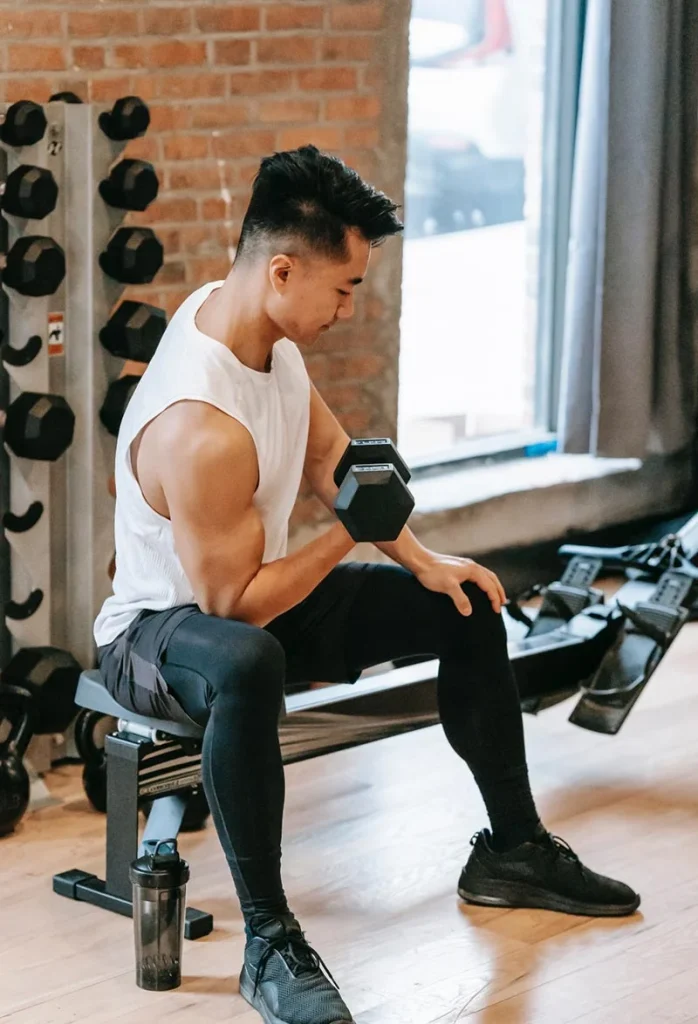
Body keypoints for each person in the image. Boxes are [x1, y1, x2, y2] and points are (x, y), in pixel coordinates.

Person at [94, 145, 640, 1024]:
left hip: (252, 596)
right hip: (160, 631)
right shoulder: (201, 426)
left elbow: (329, 459)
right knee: (244, 659)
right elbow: (232, 605)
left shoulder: (253, 328)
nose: (353, 306)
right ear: (281, 270)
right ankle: (270, 943)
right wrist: (346, 533)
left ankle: (512, 849)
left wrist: (427, 562)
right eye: (344, 287)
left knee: (464, 605)